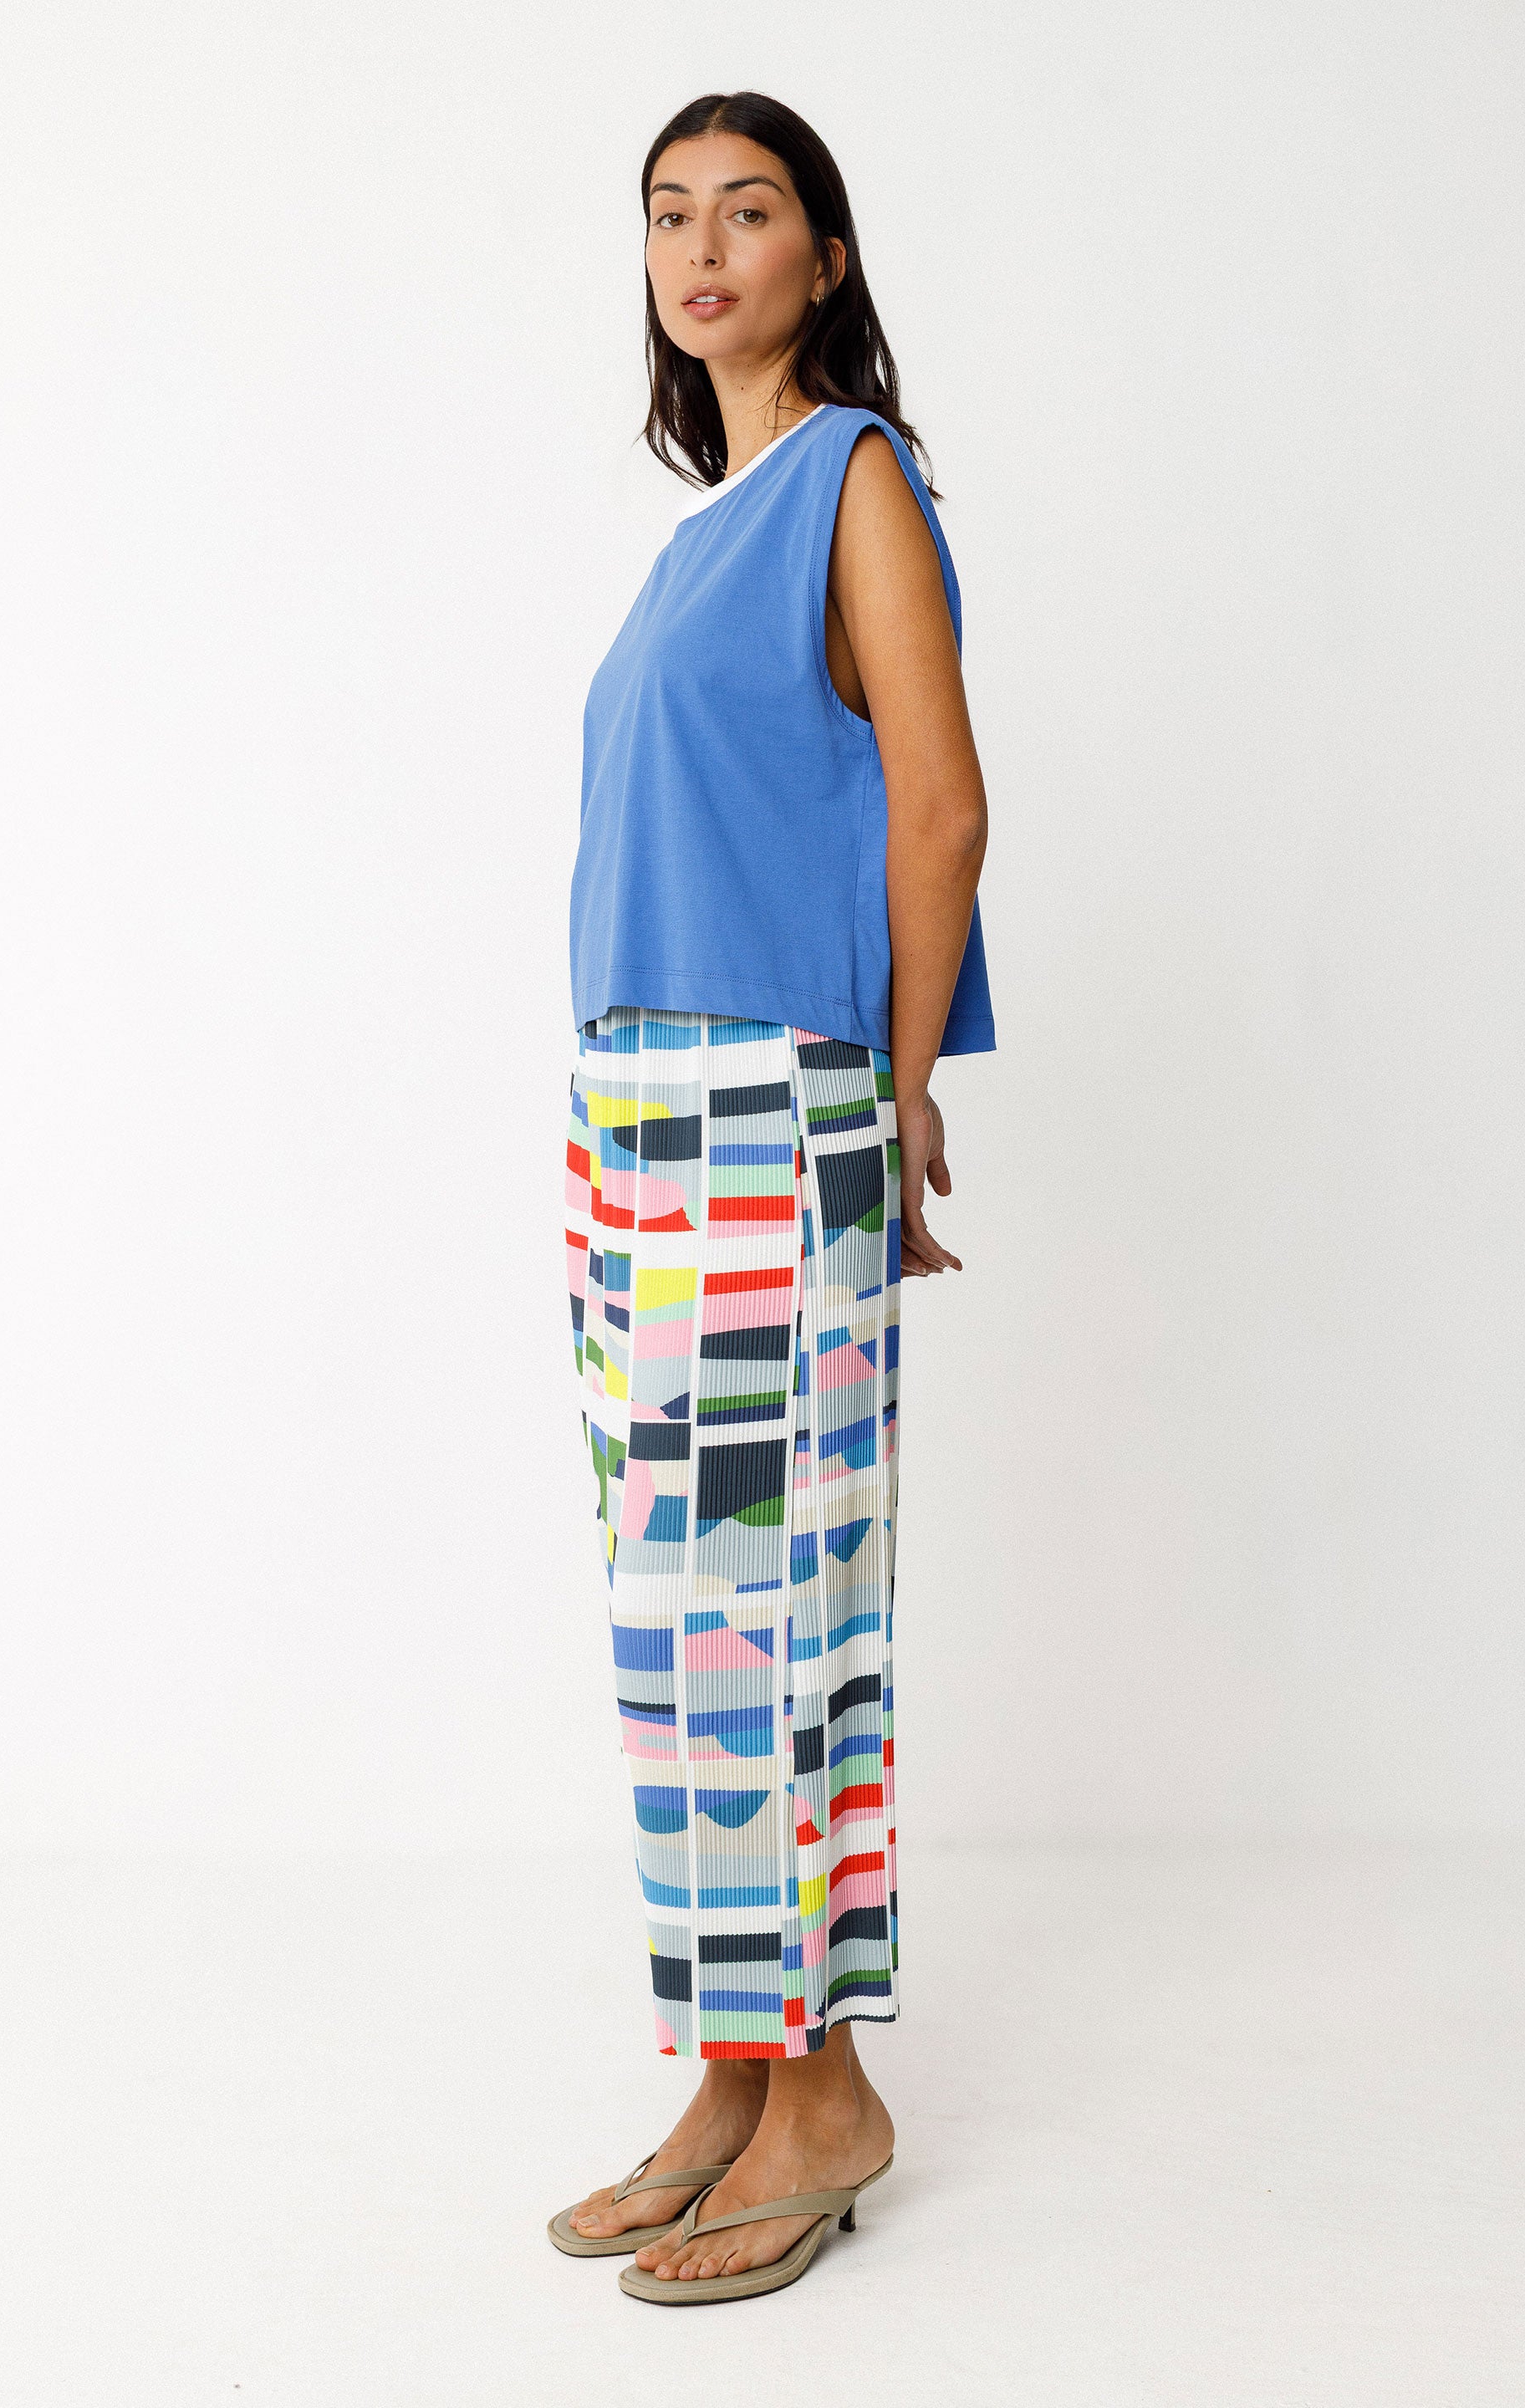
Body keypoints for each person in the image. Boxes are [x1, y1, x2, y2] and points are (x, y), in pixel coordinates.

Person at [549, 89, 995, 2304]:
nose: (703, 246)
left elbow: (941, 802)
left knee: (770, 1604)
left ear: (823, 254)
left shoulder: (849, 476)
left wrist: (895, 1101)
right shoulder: (696, 534)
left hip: (769, 1107)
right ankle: (736, 2070)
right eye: (669, 215)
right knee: (677, 1621)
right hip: (640, 1117)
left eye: (749, 209)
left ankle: (827, 2092)